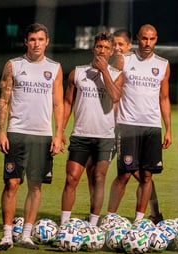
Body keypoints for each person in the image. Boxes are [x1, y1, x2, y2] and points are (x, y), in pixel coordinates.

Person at [0, 23, 64, 250]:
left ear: (47, 42)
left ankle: (26, 234)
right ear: (26, 41)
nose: (36, 44)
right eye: (32, 39)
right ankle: (6, 235)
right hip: (16, 133)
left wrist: (58, 134)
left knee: (36, 186)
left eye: (41, 39)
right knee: (12, 183)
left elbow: (58, 104)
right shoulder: (13, 65)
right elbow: (3, 100)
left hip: (43, 135)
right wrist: (1, 131)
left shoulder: (55, 68)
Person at [107, 24, 172, 222]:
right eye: (144, 38)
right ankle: (109, 217)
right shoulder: (124, 60)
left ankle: (139, 220)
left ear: (156, 39)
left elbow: (164, 98)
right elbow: (114, 94)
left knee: (147, 176)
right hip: (127, 126)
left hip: (152, 127)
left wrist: (168, 129)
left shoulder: (163, 64)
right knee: (124, 175)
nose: (147, 43)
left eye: (151, 39)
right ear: (138, 38)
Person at [60, 31, 124, 226]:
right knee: (71, 178)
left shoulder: (117, 75)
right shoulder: (77, 72)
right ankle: (64, 224)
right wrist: (60, 130)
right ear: (93, 48)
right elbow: (67, 102)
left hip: (105, 137)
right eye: (99, 47)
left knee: (98, 178)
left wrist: (104, 71)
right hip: (80, 134)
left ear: (112, 51)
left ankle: (93, 225)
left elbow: (115, 97)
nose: (102, 51)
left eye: (106, 48)